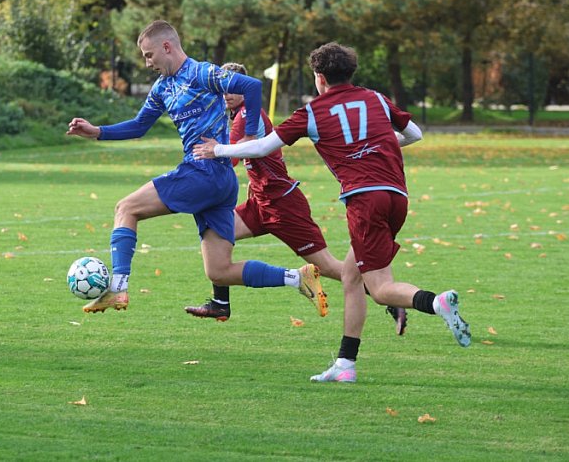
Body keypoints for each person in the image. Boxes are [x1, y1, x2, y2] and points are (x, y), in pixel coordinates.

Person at [193, 42, 471, 383]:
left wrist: (217, 149)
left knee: (380, 287)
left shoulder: (312, 112)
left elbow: (263, 146)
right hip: (397, 196)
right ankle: (345, 364)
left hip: (363, 201)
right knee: (351, 277)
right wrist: (376, 145)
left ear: (319, 77)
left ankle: (435, 302)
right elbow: (414, 134)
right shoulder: (376, 98)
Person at [66, 20, 327, 317]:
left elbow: (251, 86)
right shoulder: (163, 87)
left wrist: (249, 136)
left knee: (126, 208)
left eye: (149, 55)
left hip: (203, 172)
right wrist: (97, 132)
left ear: (167, 47)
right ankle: (298, 278)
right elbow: (139, 125)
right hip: (221, 182)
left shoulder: (201, 73)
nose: (147, 63)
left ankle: (118, 288)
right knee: (219, 271)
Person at [185, 62, 408, 336]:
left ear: (244, 89)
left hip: (283, 205)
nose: (227, 94)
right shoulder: (238, 115)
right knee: (215, 230)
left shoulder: (246, 116)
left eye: (233, 88)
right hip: (261, 202)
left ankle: (389, 297)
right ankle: (221, 302)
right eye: (223, 89)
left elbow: (228, 158)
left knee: (329, 267)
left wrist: (201, 163)